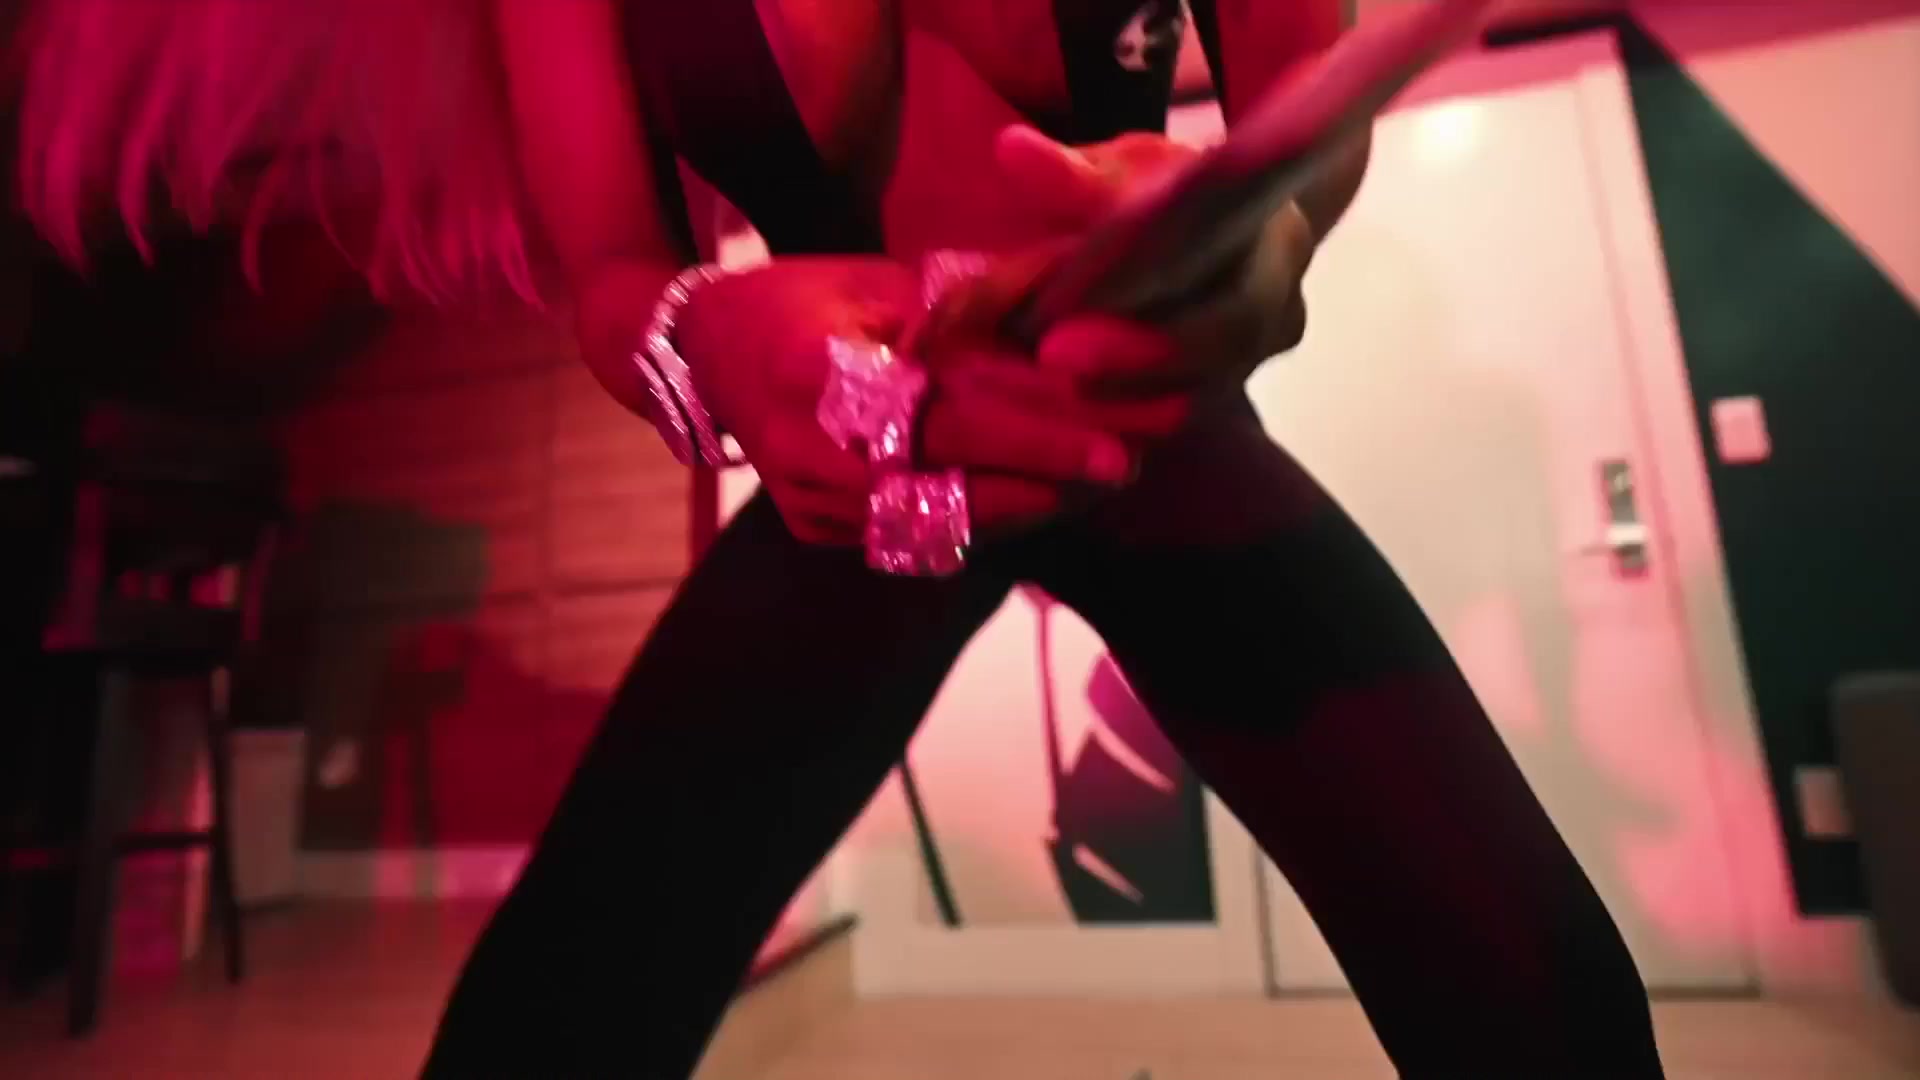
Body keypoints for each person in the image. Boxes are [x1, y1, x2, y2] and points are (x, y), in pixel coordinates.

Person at [11, 0, 1667, 1076]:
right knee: (547, 1026)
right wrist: (705, 340)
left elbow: (1309, 112)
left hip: (1144, 424)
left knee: (1543, 1001)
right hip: (859, 468)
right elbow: (612, 272)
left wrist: (1261, 235)